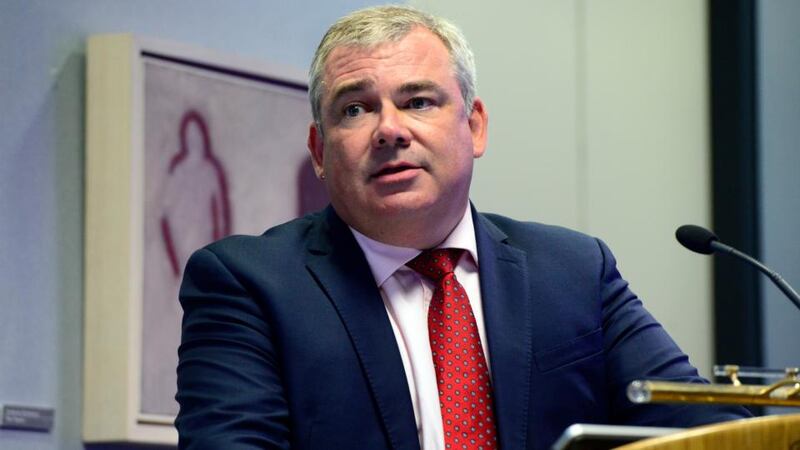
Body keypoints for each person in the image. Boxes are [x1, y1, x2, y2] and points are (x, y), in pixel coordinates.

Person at [175, 5, 749, 450]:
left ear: (474, 127)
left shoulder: (573, 272)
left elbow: (707, 431)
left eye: (419, 101)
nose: (389, 130)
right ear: (319, 151)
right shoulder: (248, 284)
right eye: (355, 109)